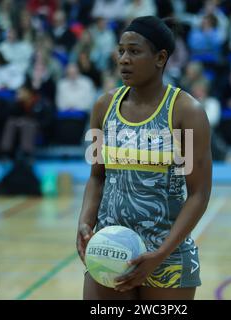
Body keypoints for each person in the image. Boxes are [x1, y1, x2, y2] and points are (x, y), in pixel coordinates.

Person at [76, 16, 212, 300]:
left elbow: (198, 194)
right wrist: (84, 222)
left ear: (161, 58)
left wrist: (160, 254)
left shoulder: (186, 112)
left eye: (134, 51)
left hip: (167, 256)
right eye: (121, 51)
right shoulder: (103, 107)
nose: (124, 59)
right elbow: (97, 177)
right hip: (109, 251)